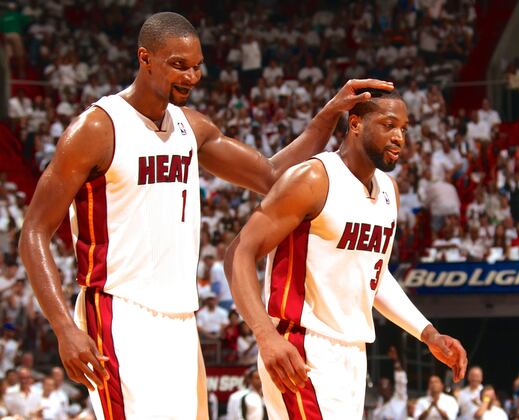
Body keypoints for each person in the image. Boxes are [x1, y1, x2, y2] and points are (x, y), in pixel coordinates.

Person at [18, 11, 392, 420]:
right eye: (179, 65)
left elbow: (271, 176)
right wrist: (64, 327)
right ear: (145, 58)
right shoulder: (98, 127)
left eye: (197, 66)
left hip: (180, 316)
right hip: (117, 309)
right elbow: (34, 231)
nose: (191, 77)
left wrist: (327, 115)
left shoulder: (191, 127)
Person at [225, 88, 467, 419]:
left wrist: (428, 333)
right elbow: (239, 252)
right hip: (302, 347)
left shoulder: (389, 191)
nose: (398, 137)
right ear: (355, 124)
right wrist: (265, 335)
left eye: (404, 129)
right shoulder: (313, 178)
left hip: (353, 352)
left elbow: (375, 277)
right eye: (388, 125)